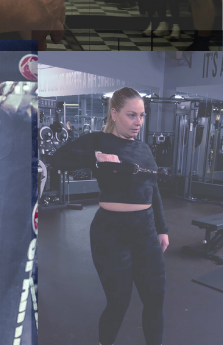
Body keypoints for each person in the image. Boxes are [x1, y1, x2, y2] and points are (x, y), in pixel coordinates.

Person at [46, 87, 166, 345]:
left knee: (155, 300)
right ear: (114, 113)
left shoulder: (144, 149)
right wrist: (94, 157)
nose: (138, 123)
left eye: (141, 116)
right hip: (111, 234)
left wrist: (162, 228)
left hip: (145, 232)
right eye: (131, 115)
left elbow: (152, 189)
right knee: (119, 302)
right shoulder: (97, 140)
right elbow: (57, 159)